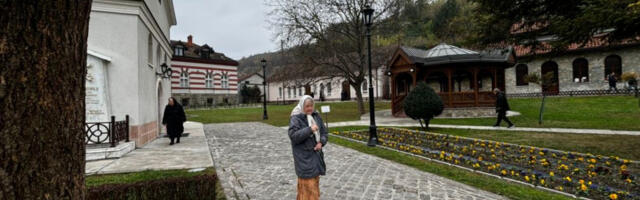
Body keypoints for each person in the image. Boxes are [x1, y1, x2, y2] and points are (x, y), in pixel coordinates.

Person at [288, 95, 328, 200]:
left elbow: (324, 132)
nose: (310, 108)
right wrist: (309, 129)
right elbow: (294, 136)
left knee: (312, 187)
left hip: (316, 158)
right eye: (307, 106)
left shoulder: (316, 116)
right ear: (302, 106)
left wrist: (321, 143)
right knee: (308, 188)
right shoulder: (296, 118)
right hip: (304, 159)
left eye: (311, 106)